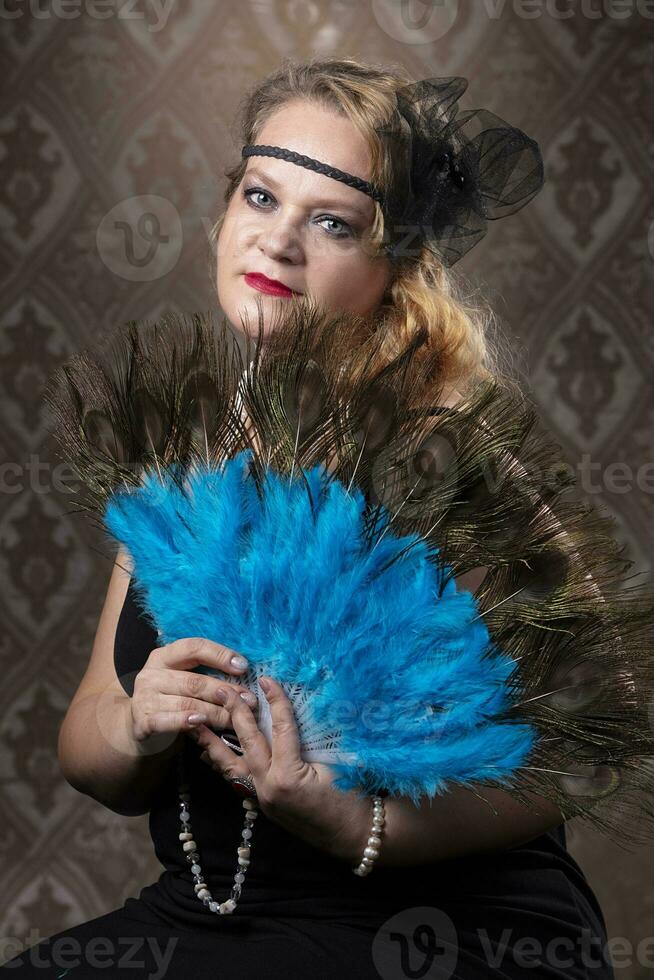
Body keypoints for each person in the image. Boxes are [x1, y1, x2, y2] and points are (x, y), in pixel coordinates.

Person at [1, 57, 617, 978]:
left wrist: (363, 823)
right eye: (260, 197)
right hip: (216, 915)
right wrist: (136, 721)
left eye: (332, 222)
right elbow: (87, 737)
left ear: (395, 266)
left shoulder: (444, 449)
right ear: (223, 213)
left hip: (439, 928)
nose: (279, 242)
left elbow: (597, 743)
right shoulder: (185, 458)